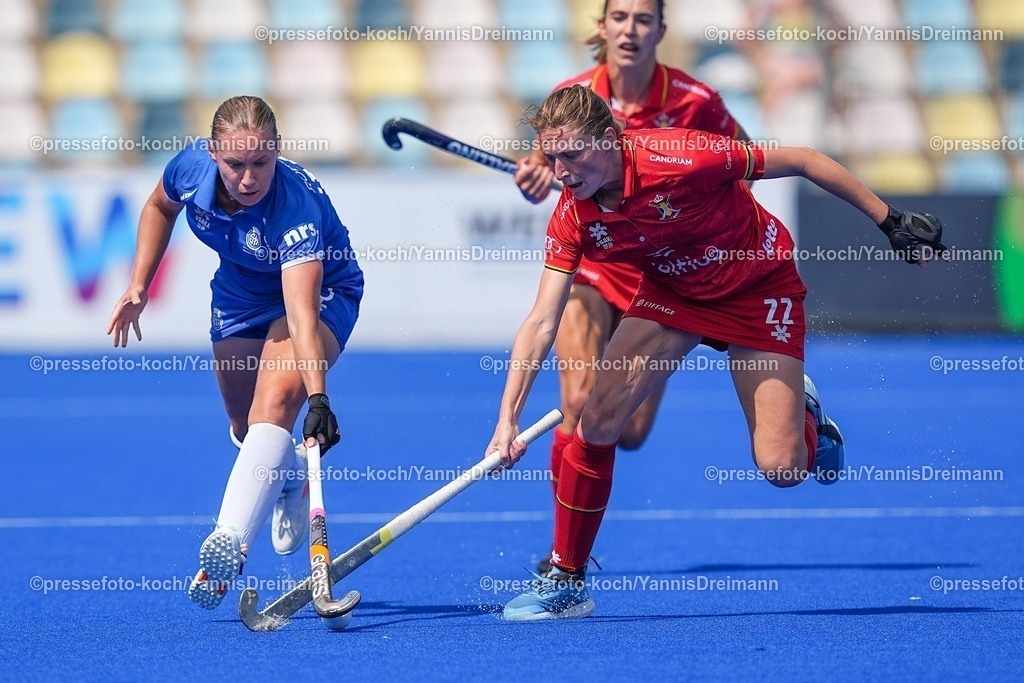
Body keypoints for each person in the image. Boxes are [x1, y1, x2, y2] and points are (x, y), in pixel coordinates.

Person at [490, 85, 947, 621]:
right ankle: (567, 581)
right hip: (674, 296)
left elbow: (804, 160)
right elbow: (542, 320)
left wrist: (889, 220)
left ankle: (808, 418)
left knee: (782, 469)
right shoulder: (572, 214)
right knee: (596, 421)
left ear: (610, 139)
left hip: (758, 289)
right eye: (552, 157)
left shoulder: (682, 156)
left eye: (573, 154)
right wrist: (507, 419)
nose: (562, 172)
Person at [513, 0, 751, 573]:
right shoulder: (573, 94)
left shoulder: (696, 101)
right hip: (596, 264)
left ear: (660, 31)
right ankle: (564, 557)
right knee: (578, 400)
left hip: (662, 272)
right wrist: (534, 173)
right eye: (619, 17)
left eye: (643, 19)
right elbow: (547, 164)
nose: (630, 29)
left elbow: (741, 170)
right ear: (602, 26)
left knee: (629, 431)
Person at [106, 95, 364, 610]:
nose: (248, 179)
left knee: (276, 402)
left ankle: (228, 543)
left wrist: (318, 400)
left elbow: (301, 317)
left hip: (319, 296)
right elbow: (159, 207)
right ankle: (289, 478)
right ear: (212, 153)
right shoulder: (189, 168)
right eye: (235, 164)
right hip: (240, 294)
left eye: (261, 163)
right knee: (248, 431)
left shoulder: (294, 210)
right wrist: (139, 284)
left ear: (278, 150)